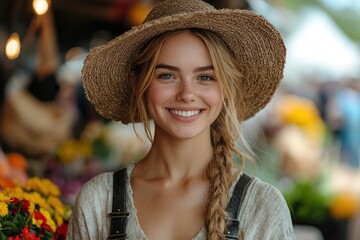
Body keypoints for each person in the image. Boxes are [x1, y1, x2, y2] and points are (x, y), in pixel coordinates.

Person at [66, 0, 295, 239]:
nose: (187, 94)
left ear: (227, 87)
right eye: (167, 75)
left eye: (205, 77)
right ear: (137, 84)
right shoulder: (98, 200)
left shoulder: (261, 206)